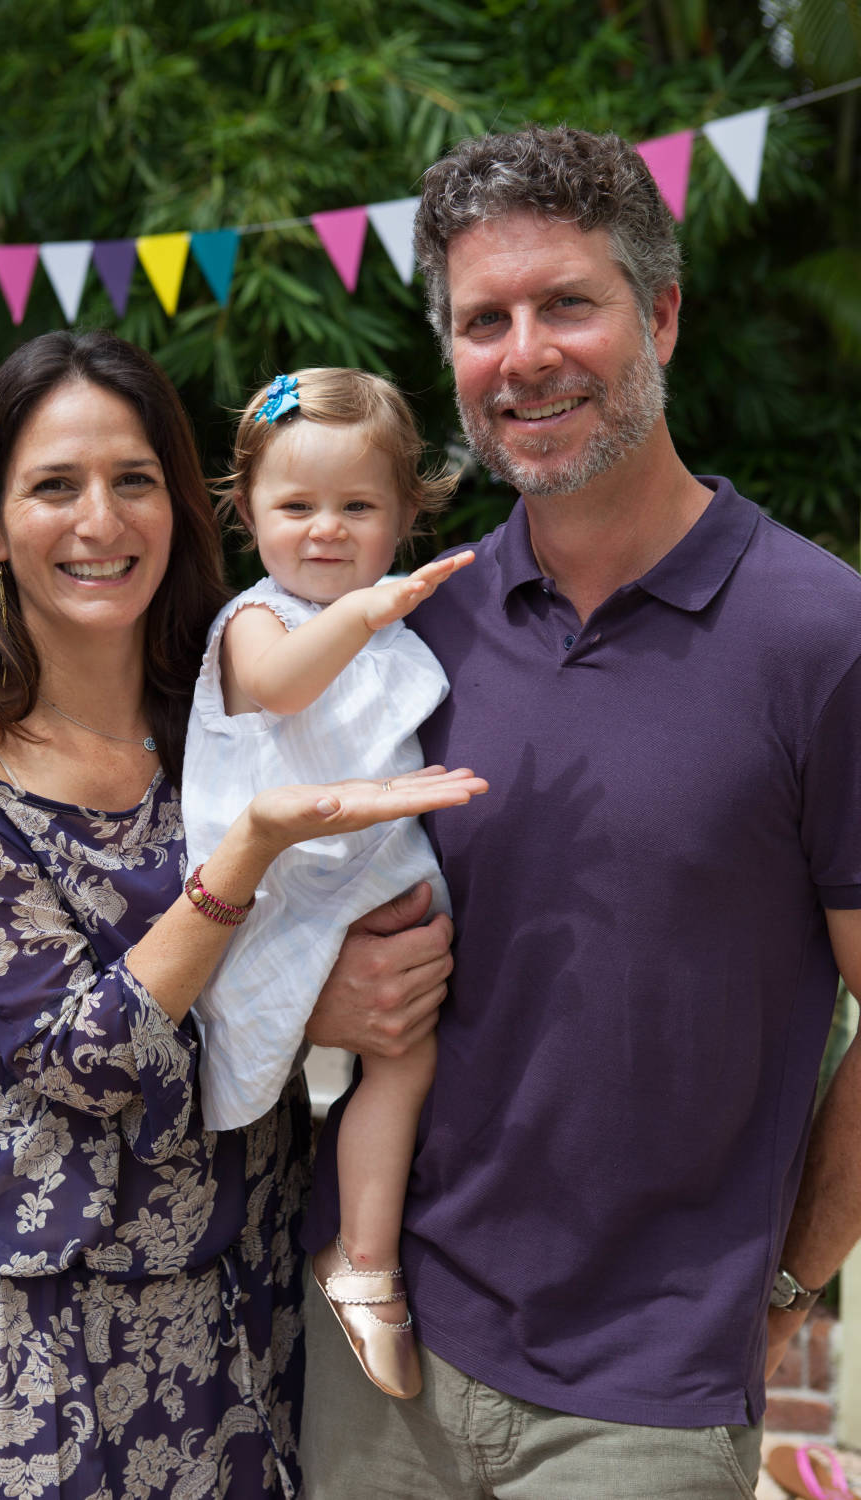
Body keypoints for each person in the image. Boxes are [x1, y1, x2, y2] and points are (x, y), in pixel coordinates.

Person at [300, 124, 861, 1499]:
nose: (524, 353)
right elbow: (293, 917)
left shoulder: (822, 635)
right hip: (376, 1352)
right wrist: (320, 1001)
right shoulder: (410, 632)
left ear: (661, 314)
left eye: (568, 303)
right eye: (483, 320)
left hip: (647, 1397)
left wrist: (795, 1269)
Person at [0, 330, 487, 1500]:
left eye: (133, 480)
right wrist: (253, 874)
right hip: (32, 1348)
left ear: (183, 506)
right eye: (55, 485)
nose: (101, 520)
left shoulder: (220, 716)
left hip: (242, 1307)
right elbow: (85, 1058)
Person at [181, 367, 474, 1400]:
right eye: (295, 506)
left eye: (358, 507)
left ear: (403, 514)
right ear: (247, 510)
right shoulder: (254, 622)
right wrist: (367, 613)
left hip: (368, 872)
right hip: (280, 883)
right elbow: (282, 686)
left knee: (407, 1057)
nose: (325, 531)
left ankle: (363, 1252)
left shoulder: (395, 631)